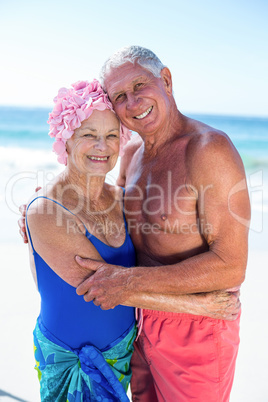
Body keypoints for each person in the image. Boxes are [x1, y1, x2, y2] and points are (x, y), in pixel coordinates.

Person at [72, 46, 251, 402]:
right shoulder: (130, 155)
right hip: (138, 320)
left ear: (165, 80)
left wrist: (127, 283)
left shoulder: (207, 149)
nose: (134, 102)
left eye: (140, 86)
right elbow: (114, 215)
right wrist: (52, 203)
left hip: (197, 329)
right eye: (120, 96)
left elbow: (231, 265)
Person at [25, 79, 137, 401]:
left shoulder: (123, 199)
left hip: (122, 353)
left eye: (111, 135)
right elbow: (106, 291)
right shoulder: (47, 209)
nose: (102, 146)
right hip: (69, 358)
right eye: (89, 135)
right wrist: (195, 301)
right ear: (67, 139)